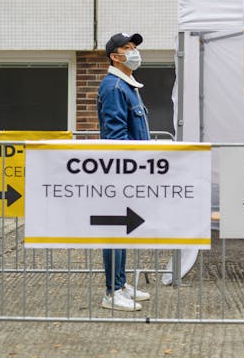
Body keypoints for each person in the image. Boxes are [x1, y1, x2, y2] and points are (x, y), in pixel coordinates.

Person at [97, 32, 152, 311]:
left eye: (134, 47)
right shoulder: (114, 87)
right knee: (115, 230)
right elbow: (116, 136)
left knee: (123, 227)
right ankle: (111, 292)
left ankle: (120, 283)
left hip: (130, 169)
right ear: (114, 57)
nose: (133, 52)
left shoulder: (127, 85)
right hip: (120, 169)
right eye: (127, 48)